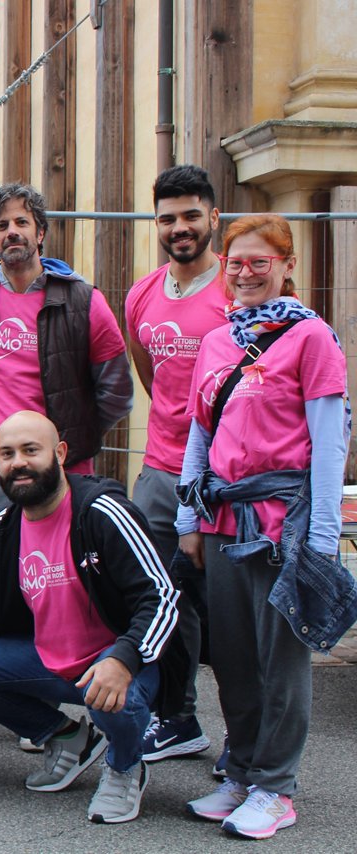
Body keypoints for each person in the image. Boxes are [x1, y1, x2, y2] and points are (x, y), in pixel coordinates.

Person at [177, 214, 351, 840]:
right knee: (232, 656)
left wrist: (324, 543)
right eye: (235, 263)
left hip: (286, 526)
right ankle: (243, 771)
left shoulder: (312, 339)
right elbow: (201, 432)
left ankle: (276, 786)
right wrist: (187, 517)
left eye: (259, 262)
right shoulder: (218, 341)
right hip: (224, 520)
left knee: (281, 658)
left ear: (286, 265)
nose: (245, 273)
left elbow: (330, 446)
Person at [0, 185, 132, 731]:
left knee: (63, 582)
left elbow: (116, 388)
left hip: (63, 473)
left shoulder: (81, 299)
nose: (12, 233)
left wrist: (72, 443)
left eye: (21, 222)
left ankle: (51, 704)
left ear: (41, 231)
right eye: (1, 225)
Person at [0, 411, 178, 824]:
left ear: (60, 453)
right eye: (7, 454)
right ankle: (66, 738)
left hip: (121, 664)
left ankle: (124, 766)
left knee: (109, 698)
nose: (19, 463)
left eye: (31, 450)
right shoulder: (3, 527)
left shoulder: (102, 513)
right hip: (50, 662)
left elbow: (161, 596)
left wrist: (122, 659)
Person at [123, 165, 227, 766]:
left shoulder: (235, 291)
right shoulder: (142, 293)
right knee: (163, 600)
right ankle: (178, 718)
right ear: (156, 224)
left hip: (225, 482)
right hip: (161, 472)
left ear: (213, 218)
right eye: (168, 218)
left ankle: (247, 736)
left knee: (228, 606)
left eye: (192, 215)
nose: (180, 227)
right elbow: (153, 378)